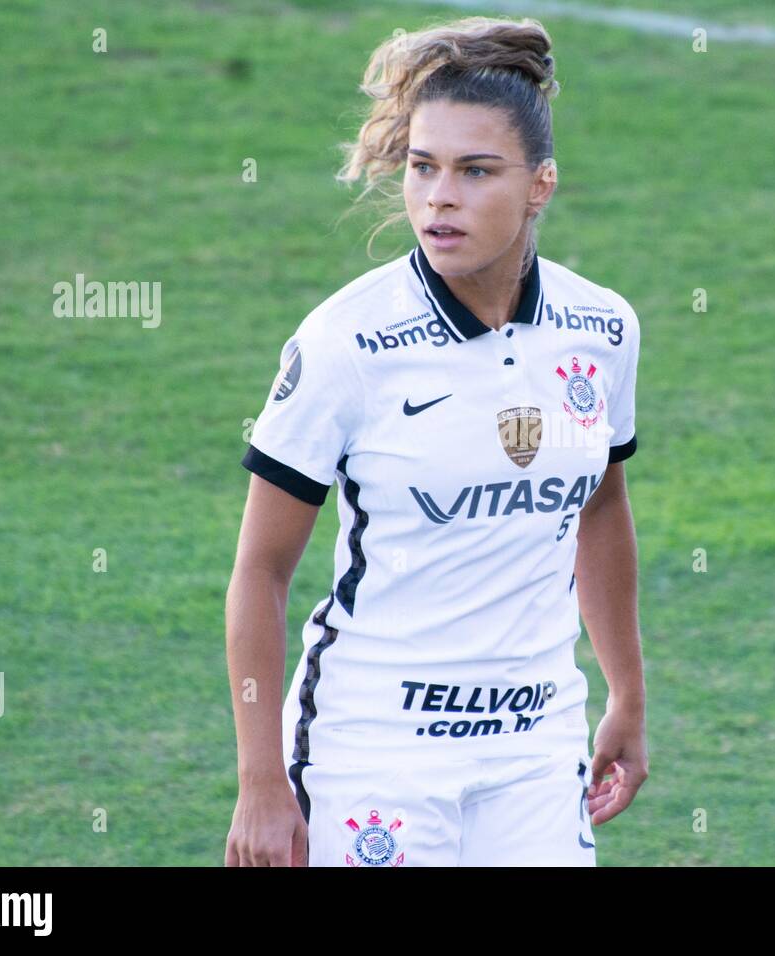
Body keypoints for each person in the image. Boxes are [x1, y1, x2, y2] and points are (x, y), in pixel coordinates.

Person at [224, 15, 647, 867]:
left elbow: (600, 504)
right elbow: (261, 571)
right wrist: (262, 782)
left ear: (541, 186)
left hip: (535, 744)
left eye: (475, 171)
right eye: (422, 167)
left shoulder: (601, 329)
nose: (437, 196)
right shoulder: (346, 344)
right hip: (375, 750)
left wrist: (627, 694)